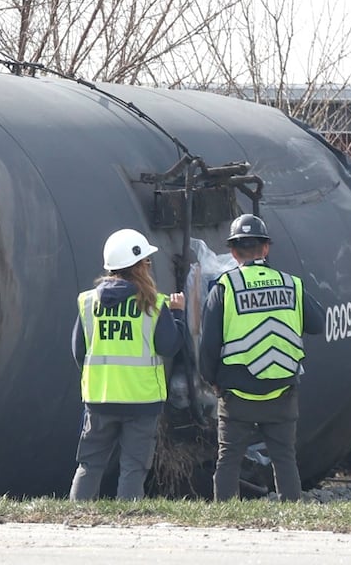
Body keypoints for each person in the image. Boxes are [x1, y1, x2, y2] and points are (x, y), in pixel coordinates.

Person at [198, 212, 323, 501]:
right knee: (284, 459)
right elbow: (317, 324)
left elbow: (208, 345)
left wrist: (212, 380)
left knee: (228, 459)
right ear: (265, 248)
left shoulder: (225, 288)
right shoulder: (291, 284)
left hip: (237, 390)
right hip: (281, 389)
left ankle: (226, 517)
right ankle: (291, 512)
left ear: (233, 251)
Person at [69, 227, 186, 501]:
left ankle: (75, 519)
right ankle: (128, 522)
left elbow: (78, 351)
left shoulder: (88, 303)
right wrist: (178, 315)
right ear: (140, 266)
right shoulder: (154, 304)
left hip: (100, 398)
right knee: (133, 467)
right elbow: (169, 347)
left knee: (90, 464)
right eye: (146, 261)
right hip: (141, 401)